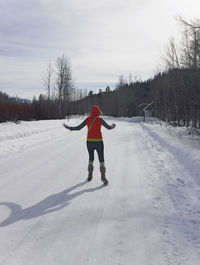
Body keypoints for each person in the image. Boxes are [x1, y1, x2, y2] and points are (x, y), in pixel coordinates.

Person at [63, 105, 116, 185]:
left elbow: (78, 128)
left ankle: (90, 175)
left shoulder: (88, 119)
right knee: (101, 158)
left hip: (89, 142)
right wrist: (113, 125)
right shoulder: (100, 120)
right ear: (98, 112)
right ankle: (103, 176)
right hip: (99, 142)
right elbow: (108, 127)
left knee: (91, 158)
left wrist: (69, 128)